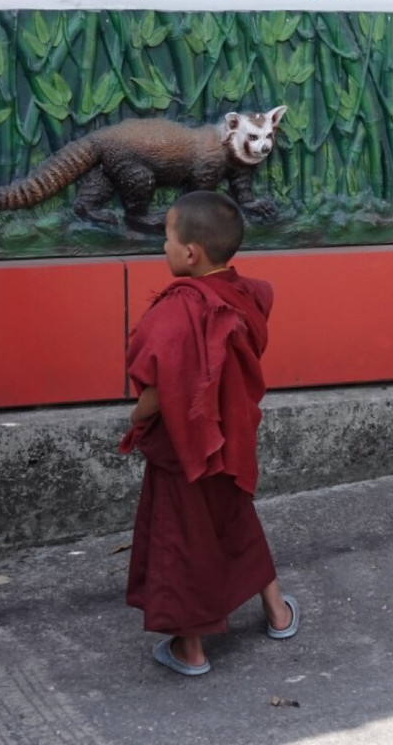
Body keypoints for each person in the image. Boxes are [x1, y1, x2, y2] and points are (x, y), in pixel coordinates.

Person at [120, 190, 298, 677]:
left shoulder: (180, 310)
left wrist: (137, 417)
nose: (164, 247)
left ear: (190, 253)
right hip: (231, 436)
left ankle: (190, 649)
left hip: (189, 443)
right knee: (235, 514)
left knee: (182, 538)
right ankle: (278, 612)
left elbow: (162, 383)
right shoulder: (244, 293)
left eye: (166, 238)